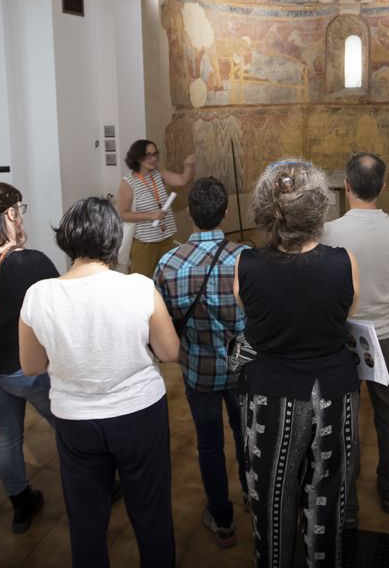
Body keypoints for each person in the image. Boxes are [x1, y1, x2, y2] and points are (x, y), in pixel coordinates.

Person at [19, 197, 181, 568]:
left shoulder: (39, 295)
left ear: (68, 239)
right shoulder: (138, 288)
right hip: (139, 413)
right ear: (113, 239)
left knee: (86, 524)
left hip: (75, 420)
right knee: (152, 514)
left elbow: (31, 365)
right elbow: (170, 352)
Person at [234, 159, 361, 568]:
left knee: (271, 499)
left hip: (270, 394)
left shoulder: (246, 263)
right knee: (328, 496)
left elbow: (252, 309)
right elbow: (345, 314)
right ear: (320, 210)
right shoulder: (344, 261)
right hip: (332, 393)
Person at [153, 177, 249, 549]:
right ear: (225, 213)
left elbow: (162, 325)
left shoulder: (168, 263)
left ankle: (222, 521)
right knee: (246, 435)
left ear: (190, 213)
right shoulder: (246, 257)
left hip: (198, 370)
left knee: (209, 445)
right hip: (241, 369)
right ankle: (252, 496)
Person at [0, 177, 60, 533]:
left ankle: (21, 504)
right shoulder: (31, 262)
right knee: (70, 427)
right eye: (20, 209)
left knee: (6, 434)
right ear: (10, 214)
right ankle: (99, 485)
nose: (22, 214)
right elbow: (59, 309)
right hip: (26, 368)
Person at [319, 153, 389, 518]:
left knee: (345, 420)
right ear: (383, 187)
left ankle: (348, 504)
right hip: (384, 335)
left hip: (345, 338)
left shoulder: (330, 231)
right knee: (388, 414)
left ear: (346, 186)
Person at [117, 139, 196, 278]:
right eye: (148, 155)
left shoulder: (158, 173)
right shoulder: (128, 182)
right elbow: (122, 214)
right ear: (138, 157)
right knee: (144, 280)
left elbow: (182, 180)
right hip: (144, 243)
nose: (153, 159)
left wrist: (188, 166)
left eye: (155, 154)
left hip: (165, 238)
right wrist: (151, 215)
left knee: (166, 277)